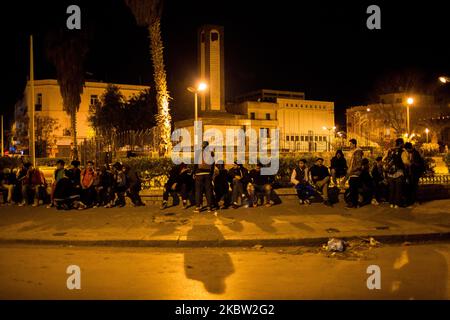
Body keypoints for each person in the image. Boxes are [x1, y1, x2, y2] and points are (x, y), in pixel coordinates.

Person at [383, 138, 410, 208]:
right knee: (398, 189)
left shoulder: (390, 150)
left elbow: (384, 159)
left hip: (390, 173)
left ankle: (391, 203)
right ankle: (397, 204)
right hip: (399, 172)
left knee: (392, 189)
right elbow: (405, 162)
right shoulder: (402, 152)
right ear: (401, 143)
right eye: (403, 143)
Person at [193, 141, 215, 213]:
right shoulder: (211, 153)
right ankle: (209, 207)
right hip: (207, 173)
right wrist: (211, 174)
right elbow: (212, 165)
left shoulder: (198, 152)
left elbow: (195, 164)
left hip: (199, 174)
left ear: (202, 146)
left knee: (198, 191)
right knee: (208, 191)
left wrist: (194, 173)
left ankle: (198, 207)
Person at [345, 139, 364, 209]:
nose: (349, 145)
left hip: (355, 173)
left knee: (353, 189)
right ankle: (355, 203)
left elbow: (359, 164)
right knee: (353, 189)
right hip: (353, 173)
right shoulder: (355, 152)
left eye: (350, 144)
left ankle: (353, 204)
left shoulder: (357, 152)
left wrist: (352, 170)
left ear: (354, 144)